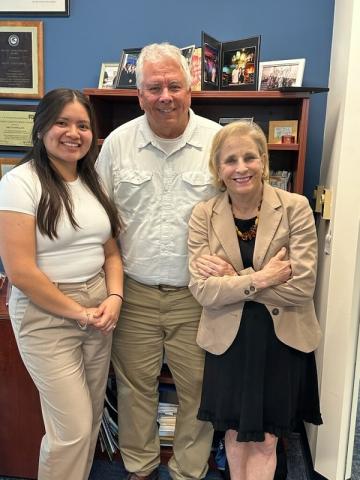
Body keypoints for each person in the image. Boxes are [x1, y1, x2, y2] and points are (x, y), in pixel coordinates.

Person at [96, 42, 222, 480]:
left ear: (190, 89)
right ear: (139, 95)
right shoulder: (116, 144)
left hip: (198, 297)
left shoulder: (215, 143)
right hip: (134, 294)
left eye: (173, 85)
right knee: (134, 389)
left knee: (198, 390)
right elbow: (99, 218)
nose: (164, 95)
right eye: (154, 87)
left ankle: (189, 470)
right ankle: (140, 466)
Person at [188, 121, 322, 480]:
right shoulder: (204, 214)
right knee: (233, 432)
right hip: (228, 342)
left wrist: (230, 280)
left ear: (264, 160)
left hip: (281, 339)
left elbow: (302, 287)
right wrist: (260, 278)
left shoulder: (296, 208)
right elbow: (201, 290)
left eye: (250, 157)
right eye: (230, 160)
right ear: (218, 168)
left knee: (265, 439)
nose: (241, 167)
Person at [0, 88, 123, 480]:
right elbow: (20, 271)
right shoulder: (20, 183)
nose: (74, 133)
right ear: (41, 129)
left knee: (88, 422)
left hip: (98, 305)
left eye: (83, 125)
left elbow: (111, 253)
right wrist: (80, 312)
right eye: (62, 122)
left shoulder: (92, 179)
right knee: (71, 430)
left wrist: (115, 297)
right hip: (47, 312)